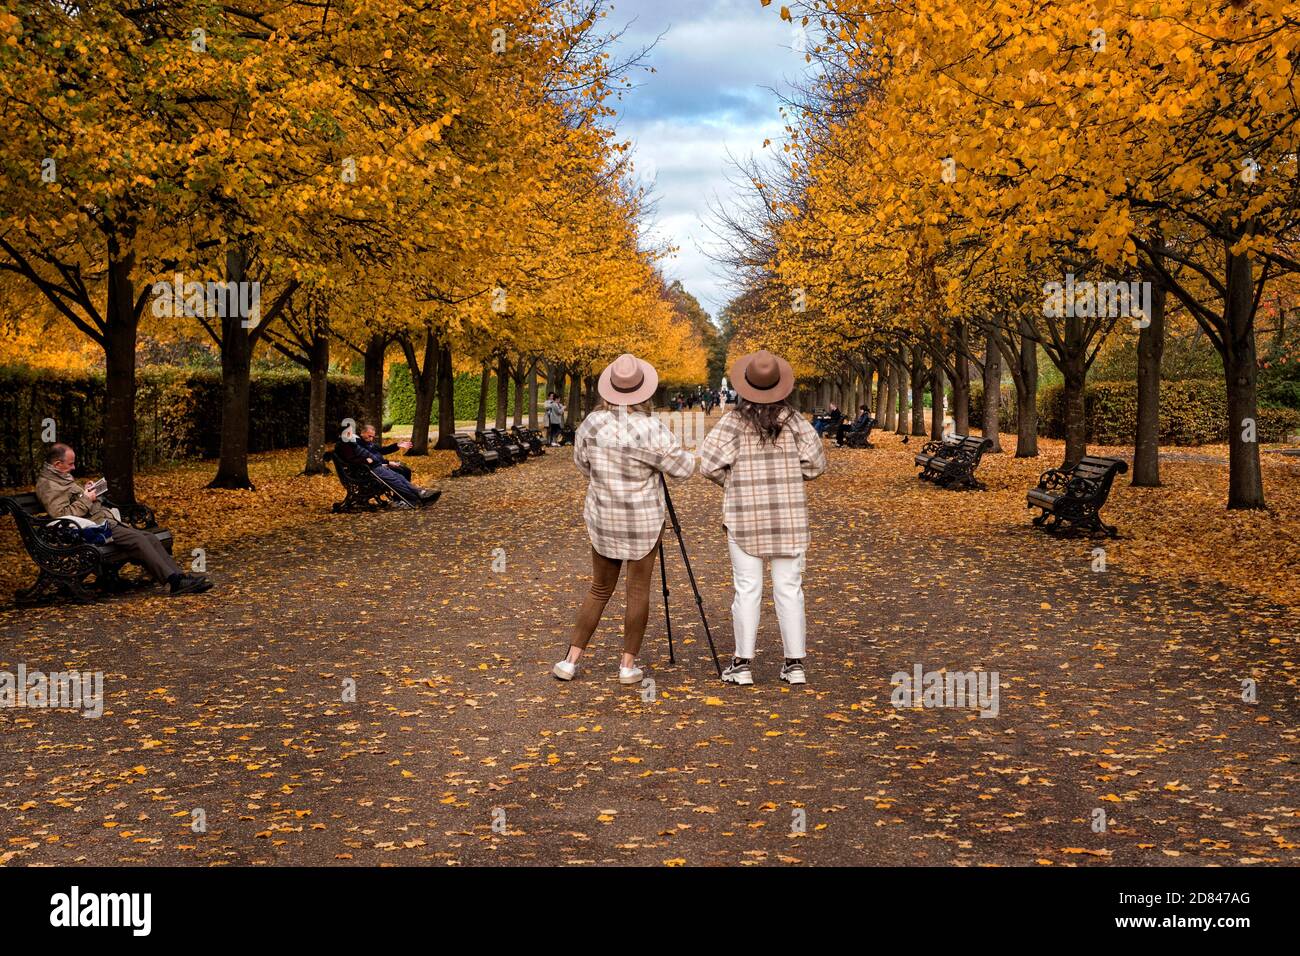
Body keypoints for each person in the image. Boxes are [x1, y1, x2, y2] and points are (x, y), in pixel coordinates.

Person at [554, 353, 695, 685]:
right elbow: (683, 470)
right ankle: (627, 666)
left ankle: (571, 660)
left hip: (603, 515)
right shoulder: (653, 429)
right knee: (637, 591)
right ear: (643, 391)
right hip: (643, 519)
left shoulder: (591, 424)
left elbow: (582, 464)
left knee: (599, 587)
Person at [698, 350, 826, 686]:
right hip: (789, 516)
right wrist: (787, 478)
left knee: (747, 589)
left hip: (744, 517)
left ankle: (742, 665)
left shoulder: (733, 422)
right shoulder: (796, 421)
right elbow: (816, 464)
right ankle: (794, 664)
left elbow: (707, 463)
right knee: (789, 589)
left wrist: (736, 482)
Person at [35, 444, 213, 596]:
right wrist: (86, 499)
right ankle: (173, 582)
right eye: (70, 463)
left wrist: (86, 491)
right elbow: (61, 515)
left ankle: (178, 577)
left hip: (102, 520)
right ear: (57, 464)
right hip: (92, 529)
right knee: (139, 540)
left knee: (149, 538)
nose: (74, 467)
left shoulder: (59, 477)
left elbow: (73, 501)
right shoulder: (48, 485)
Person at [334, 422, 440, 506]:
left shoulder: (351, 442)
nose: (352, 434)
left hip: (373, 467)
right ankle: (416, 498)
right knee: (396, 479)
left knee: (399, 477)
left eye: (351, 432)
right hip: (366, 471)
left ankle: (420, 493)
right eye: (349, 432)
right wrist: (368, 461)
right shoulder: (346, 444)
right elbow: (352, 459)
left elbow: (380, 451)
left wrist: (396, 447)